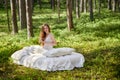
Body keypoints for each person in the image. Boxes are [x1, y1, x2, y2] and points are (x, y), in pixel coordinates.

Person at [11, 23, 85, 71]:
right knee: (32, 49)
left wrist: (46, 42)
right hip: (42, 49)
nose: (45, 30)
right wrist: (41, 42)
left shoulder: (51, 35)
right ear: (43, 29)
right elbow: (40, 43)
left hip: (49, 50)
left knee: (48, 53)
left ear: (48, 28)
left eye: (46, 28)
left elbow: (55, 43)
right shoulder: (42, 35)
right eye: (44, 29)